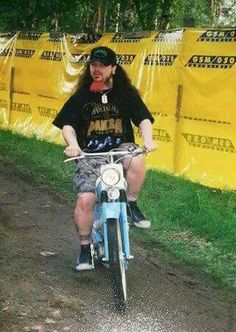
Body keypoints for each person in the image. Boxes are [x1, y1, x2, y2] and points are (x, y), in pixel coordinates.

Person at [53, 46, 156, 271]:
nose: (96, 69)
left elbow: (144, 119)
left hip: (121, 150)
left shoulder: (126, 93)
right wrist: (73, 145)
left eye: (102, 65)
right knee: (85, 200)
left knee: (137, 158)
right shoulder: (82, 96)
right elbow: (68, 125)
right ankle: (84, 250)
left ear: (113, 68)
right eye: (93, 65)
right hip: (91, 156)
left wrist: (147, 140)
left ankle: (131, 204)